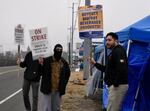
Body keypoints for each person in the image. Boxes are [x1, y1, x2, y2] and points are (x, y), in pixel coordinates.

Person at [88, 32, 128, 111]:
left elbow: (122, 68)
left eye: (109, 40)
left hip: (117, 86)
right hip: (114, 86)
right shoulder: (113, 52)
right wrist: (95, 63)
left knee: (112, 109)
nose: (107, 42)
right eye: (106, 40)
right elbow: (106, 69)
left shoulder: (118, 51)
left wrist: (115, 84)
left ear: (115, 41)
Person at [39, 44, 70, 111]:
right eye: (57, 50)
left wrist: (63, 84)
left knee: (56, 108)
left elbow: (67, 74)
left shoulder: (64, 62)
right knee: (47, 108)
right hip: (47, 89)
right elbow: (40, 72)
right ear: (54, 50)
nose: (59, 51)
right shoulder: (46, 61)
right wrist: (40, 65)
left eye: (60, 50)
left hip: (58, 90)